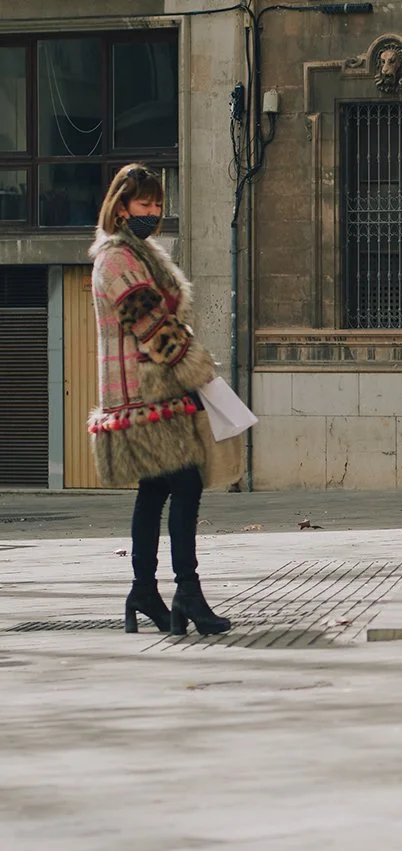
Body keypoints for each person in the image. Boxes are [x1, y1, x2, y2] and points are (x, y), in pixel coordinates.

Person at [88, 163, 233, 637]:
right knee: (186, 483)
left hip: (154, 388)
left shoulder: (141, 254)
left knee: (155, 491)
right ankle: (185, 591)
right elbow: (149, 322)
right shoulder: (115, 259)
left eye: (157, 205)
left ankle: (144, 590)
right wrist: (194, 363)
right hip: (143, 392)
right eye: (143, 204)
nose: (152, 212)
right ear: (121, 206)